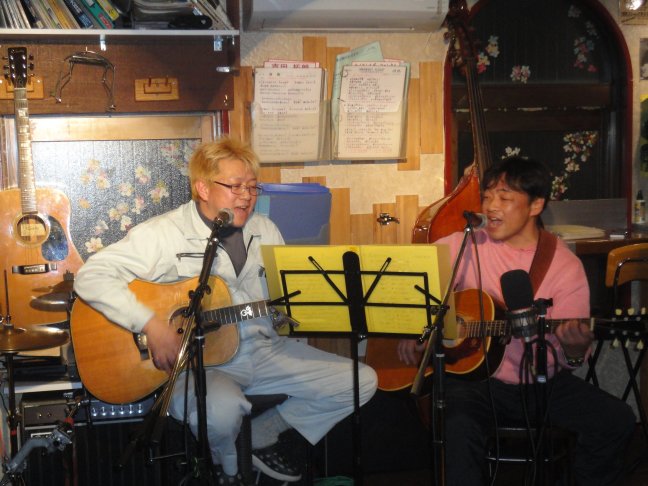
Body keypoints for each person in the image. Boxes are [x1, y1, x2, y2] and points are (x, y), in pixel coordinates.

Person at [74, 137, 378, 486]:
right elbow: (91, 276)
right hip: (199, 365)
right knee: (221, 410)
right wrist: (151, 324)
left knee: (360, 382)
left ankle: (263, 433)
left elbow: (279, 304)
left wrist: (291, 314)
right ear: (203, 188)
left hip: (265, 352)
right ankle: (227, 464)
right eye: (235, 186)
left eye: (252, 186)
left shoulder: (265, 230)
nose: (246, 196)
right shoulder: (164, 234)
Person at [398, 156, 635, 485]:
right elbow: (407, 283)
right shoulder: (464, 244)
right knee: (457, 424)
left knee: (616, 419)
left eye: (505, 197)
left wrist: (574, 348)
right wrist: (412, 332)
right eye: (487, 196)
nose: (491, 206)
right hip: (475, 383)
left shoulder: (563, 265)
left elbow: (573, 359)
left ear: (536, 204)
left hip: (541, 384)